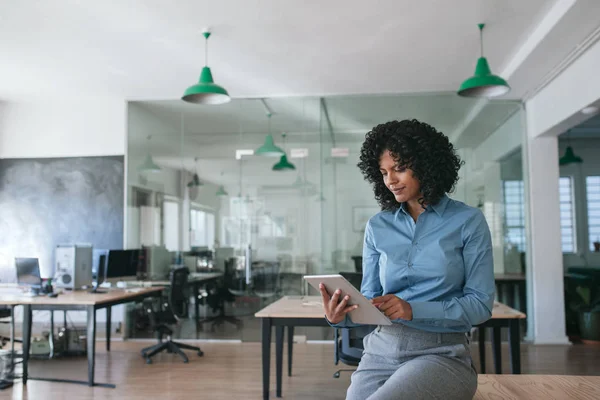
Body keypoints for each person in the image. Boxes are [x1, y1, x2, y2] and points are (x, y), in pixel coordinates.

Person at [319, 119, 495, 400]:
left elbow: (480, 306)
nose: (390, 180)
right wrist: (339, 317)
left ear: (426, 165)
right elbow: (369, 298)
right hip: (380, 349)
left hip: (441, 354)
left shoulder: (468, 222)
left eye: (399, 168)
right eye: (383, 172)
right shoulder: (378, 226)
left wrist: (414, 309)